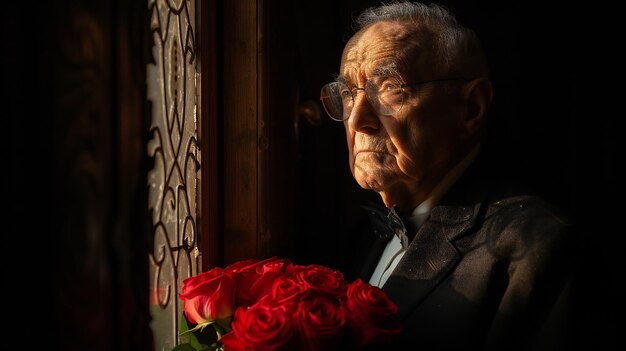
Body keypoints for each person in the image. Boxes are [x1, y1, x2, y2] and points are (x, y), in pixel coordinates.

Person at [320, 1, 580, 350]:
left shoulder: (540, 248)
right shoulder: (361, 236)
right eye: (349, 94)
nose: (356, 121)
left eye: (390, 87)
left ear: (470, 106)